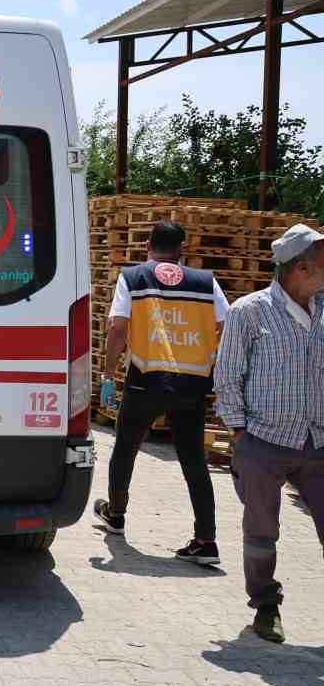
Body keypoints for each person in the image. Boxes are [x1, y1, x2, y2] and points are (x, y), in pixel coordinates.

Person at [214, 223, 324, 645]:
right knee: (261, 531)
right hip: (264, 441)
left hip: (317, 441)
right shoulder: (251, 311)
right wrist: (240, 435)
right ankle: (265, 606)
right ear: (301, 269)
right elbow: (227, 376)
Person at [93, 220, 227, 564]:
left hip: (146, 379)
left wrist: (108, 373)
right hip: (192, 383)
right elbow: (228, 326)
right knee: (193, 459)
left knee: (126, 448)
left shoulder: (133, 277)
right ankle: (206, 539)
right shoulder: (205, 282)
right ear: (183, 249)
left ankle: (116, 514)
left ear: (148, 245)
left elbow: (119, 327)